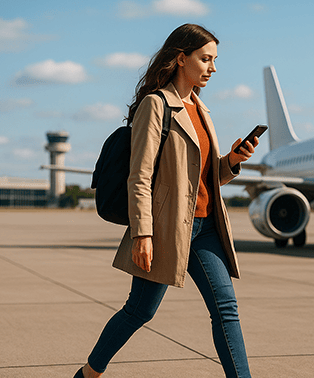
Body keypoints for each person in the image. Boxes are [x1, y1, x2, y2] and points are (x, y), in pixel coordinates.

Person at [74, 24, 257, 378]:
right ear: (181, 58)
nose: (213, 68)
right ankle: (89, 373)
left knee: (226, 309)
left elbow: (200, 179)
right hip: (165, 229)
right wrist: (143, 234)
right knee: (139, 311)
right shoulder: (156, 105)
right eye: (205, 59)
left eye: (215, 60)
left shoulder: (202, 110)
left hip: (205, 228)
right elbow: (139, 177)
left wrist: (232, 161)